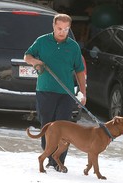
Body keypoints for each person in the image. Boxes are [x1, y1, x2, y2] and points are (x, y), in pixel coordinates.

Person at [24, 14, 86, 172]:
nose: (62, 32)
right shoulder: (42, 41)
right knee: (47, 126)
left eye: (66, 29)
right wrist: (35, 61)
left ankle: (58, 162)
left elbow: (80, 70)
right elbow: (27, 55)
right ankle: (49, 159)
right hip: (45, 90)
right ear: (53, 26)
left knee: (65, 129)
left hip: (66, 94)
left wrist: (83, 93)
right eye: (59, 28)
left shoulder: (73, 47)